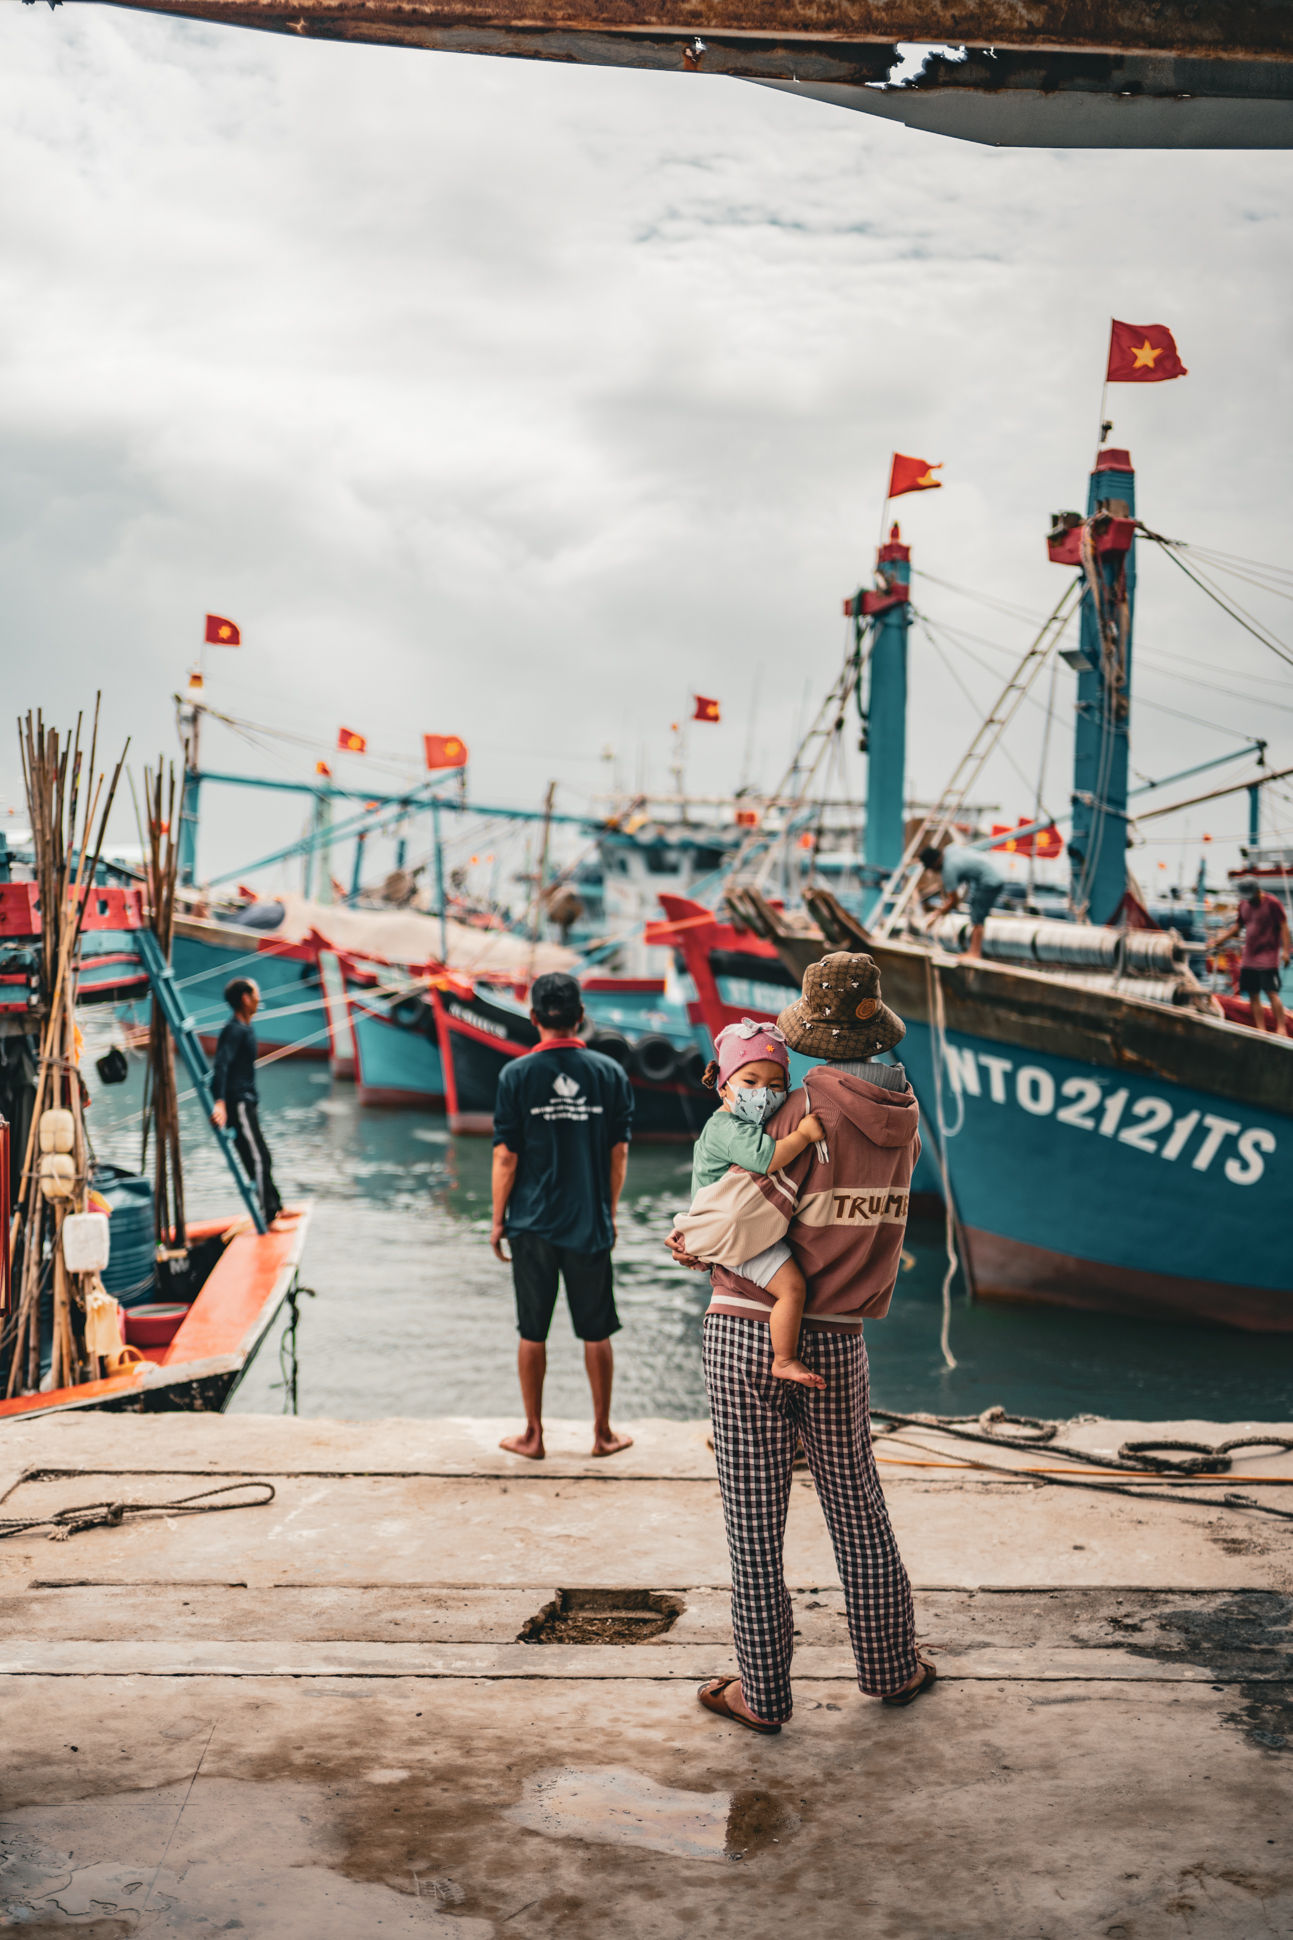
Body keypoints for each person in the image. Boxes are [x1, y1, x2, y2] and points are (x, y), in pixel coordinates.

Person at [668, 952, 931, 1734]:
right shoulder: (903, 1117)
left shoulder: (796, 1108)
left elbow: (728, 1216)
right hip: (842, 1339)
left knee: (754, 1519)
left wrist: (689, 1240)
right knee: (857, 1505)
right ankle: (890, 1667)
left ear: (812, 1034)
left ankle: (763, 1694)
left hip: (746, 1329)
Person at [491, 970, 634, 1460]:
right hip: (587, 1221)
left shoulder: (514, 1075)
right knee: (596, 1330)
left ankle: (533, 1436)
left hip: (530, 1223)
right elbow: (618, 1154)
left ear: (534, 1019)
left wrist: (496, 1221)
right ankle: (602, 1434)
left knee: (532, 1331)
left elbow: (505, 1157)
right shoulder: (609, 1073)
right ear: (580, 1019)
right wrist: (609, 1212)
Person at [675, 1019, 825, 1390]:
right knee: (792, 1289)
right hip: (731, 1232)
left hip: (732, 1227)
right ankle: (784, 1358)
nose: (764, 1094)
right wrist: (804, 1134)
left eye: (776, 1086)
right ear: (723, 1086)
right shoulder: (726, 1127)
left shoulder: (740, 1123)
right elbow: (767, 1158)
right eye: (751, 1082)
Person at [210, 977, 282, 1224]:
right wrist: (220, 1102)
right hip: (238, 1103)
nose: (259, 999)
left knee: (261, 1156)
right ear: (245, 998)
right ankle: (268, 1214)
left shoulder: (244, 1027)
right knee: (260, 1158)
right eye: (256, 994)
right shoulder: (234, 1030)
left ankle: (276, 1205)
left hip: (247, 1102)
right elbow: (221, 1065)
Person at [1212, 878, 1291, 1035]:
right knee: (1253, 993)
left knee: (1271, 992)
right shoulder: (1243, 904)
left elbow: (1284, 927)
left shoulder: (1272, 903)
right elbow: (1237, 926)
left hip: (1268, 956)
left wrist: (1285, 952)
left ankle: (1281, 1028)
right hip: (1249, 957)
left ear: (1257, 891)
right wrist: (1219, 941)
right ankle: (1260, 1029)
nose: (1249, 899)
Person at [919, 842, 1005, 961]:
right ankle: (976, 949)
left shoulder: (948, 870)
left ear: (934, 864)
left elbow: (954, 901)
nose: (933, 872)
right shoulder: (950, 849)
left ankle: (975, 953)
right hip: (996, 874)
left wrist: (936, 915)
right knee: (976, 908)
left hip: (990, 881)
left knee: (977, 914)